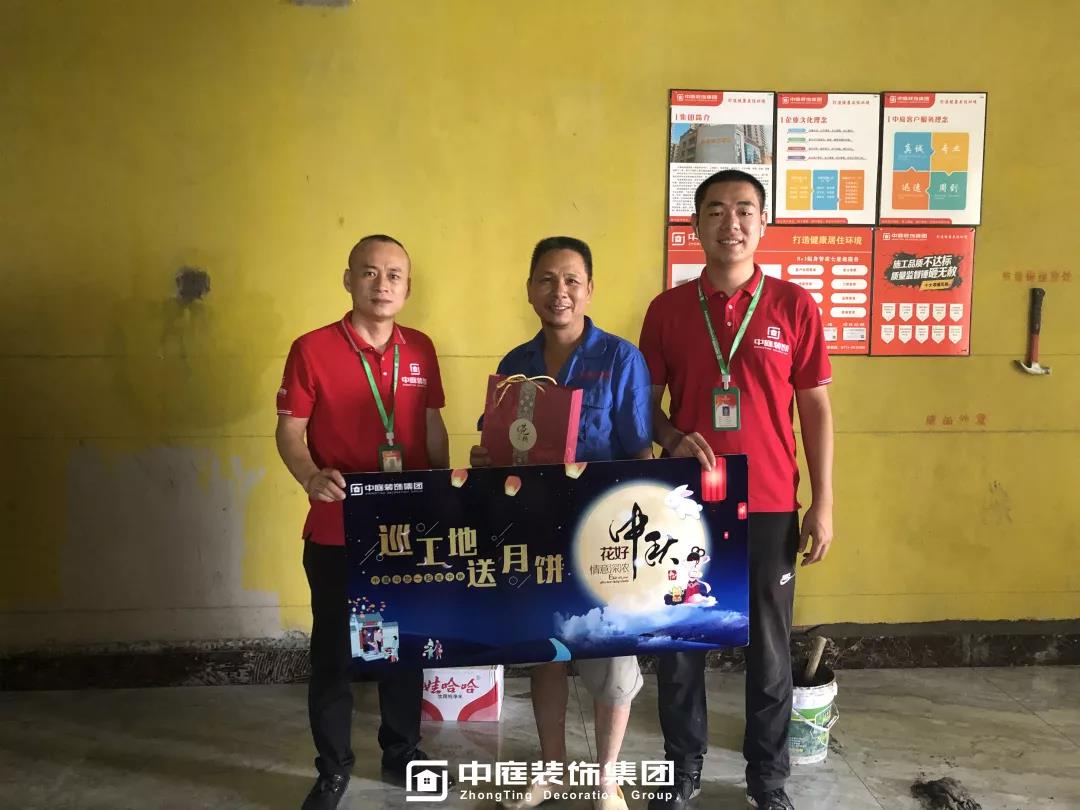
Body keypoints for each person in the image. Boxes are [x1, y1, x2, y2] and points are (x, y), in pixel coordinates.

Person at [638, 171, 835, 810]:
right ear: (695, 224)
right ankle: (681, 768)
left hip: (770, 503)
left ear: (763, 222)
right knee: (680, 642)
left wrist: (824, 503)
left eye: (745, 209)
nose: (732, 223)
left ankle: (768, 779)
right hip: (685, 504)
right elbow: (645, 406)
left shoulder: (793, 305)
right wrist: (671, 438)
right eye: (717, 210)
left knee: (770, 651)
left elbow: (816, 409)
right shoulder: (668, 310)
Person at [470, 236, 653, 810]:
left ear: (590, 289)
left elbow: (641, 453)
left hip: (605, 537)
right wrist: (485, 458)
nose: (560, 292)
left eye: (572, 280)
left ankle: (606, 779)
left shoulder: (621, 359)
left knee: (612, 657)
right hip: (534, 532)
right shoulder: (514, 366)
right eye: (547, 279)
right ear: (530, 290)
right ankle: (551, 770)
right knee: (546, 654)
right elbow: (497, 447)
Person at [276, 234, 451, 810]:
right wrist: (309, 476)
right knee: (333, 655)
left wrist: (445, 492)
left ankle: (402, 752)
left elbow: (431, 428)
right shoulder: (312, 349)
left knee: (403, 647)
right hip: (338, 528)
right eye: (370, 273)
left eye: (394, 275)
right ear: (348, 280)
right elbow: (290, 431)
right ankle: (332, 769)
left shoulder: (421, 349)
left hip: (407, 530)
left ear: (408, 286)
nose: (382, 284)